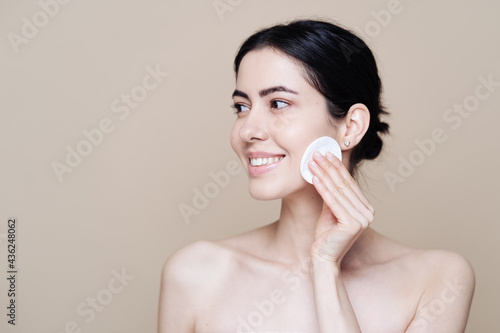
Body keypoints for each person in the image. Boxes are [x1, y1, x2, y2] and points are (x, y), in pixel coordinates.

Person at [158, 19, 475, 332]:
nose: (248, 130)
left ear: (350, 127)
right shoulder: (195, 273)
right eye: (242, 107)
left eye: (278, 103)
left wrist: (325, 266)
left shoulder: (437, 280)